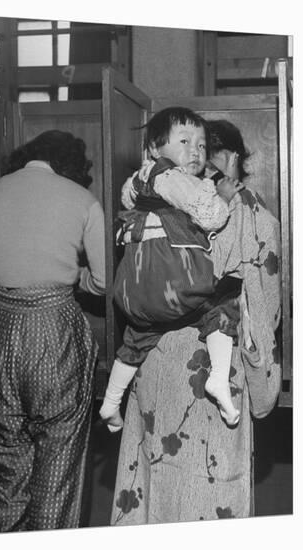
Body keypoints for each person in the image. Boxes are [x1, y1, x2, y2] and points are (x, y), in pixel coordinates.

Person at [110, 118, 281, 524]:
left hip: (154, 352)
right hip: (217, 355)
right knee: (215, 480)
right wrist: (263, 375)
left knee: (152, 473)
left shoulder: (162, 198)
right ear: (236, 158)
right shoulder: (253, 215)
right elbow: (262, 302)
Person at [0, 130, 105, 532]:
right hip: (57, 332)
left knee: (3, 462)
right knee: (58, 464)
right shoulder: (83, 200)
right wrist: (68, 275)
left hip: (1, 335)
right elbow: (101, 281)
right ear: (70, 165)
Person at [99, 107, 244, 432]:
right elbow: (210, 217)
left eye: (202, 144)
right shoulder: (172, 177)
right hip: (174, 285)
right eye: (184, 141)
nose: (195, 150)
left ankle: (110, 402)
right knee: (223, 303)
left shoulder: (139, 180)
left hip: (137, 293)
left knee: (137, 338)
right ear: (153, 148)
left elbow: (128, 198)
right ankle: (219, 379)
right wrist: (221, 195)